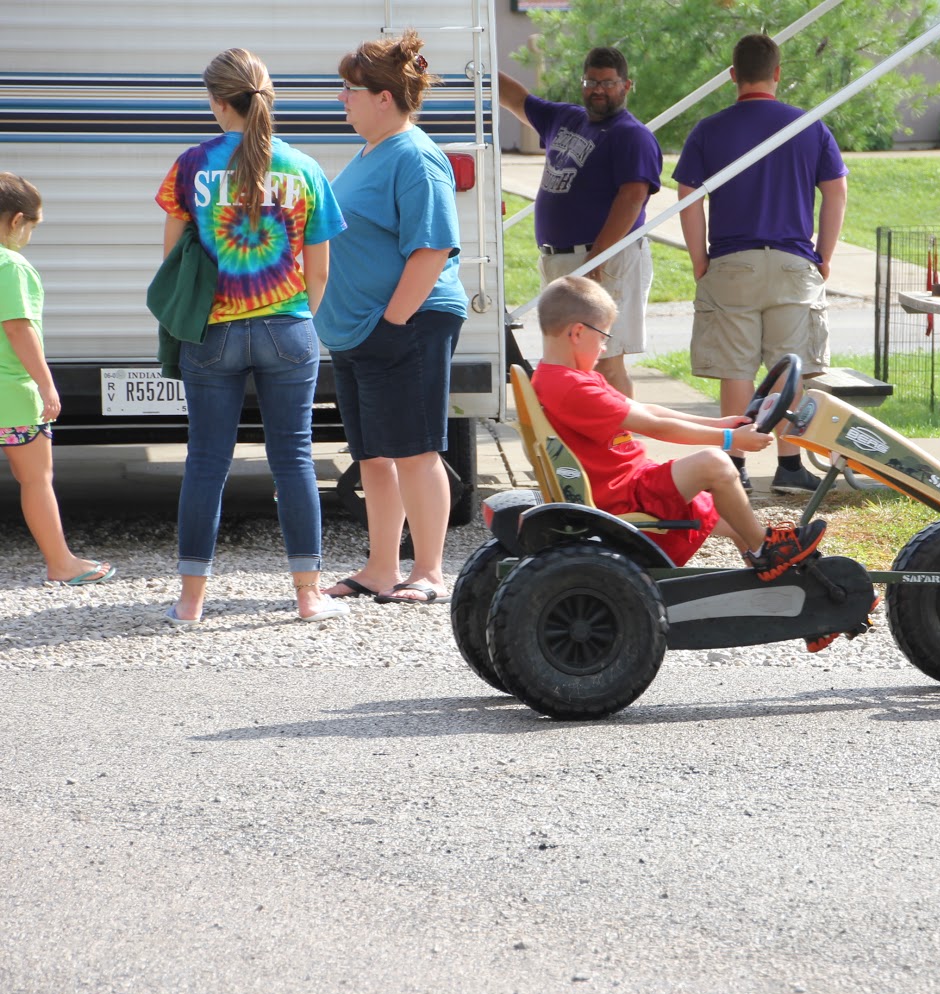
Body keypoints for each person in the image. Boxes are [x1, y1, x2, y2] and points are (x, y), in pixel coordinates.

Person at [154, 49, 346, 625]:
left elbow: (172, 260)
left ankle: (190, 602)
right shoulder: (303, 168)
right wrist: (298, 319)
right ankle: (308, 595)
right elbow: (321, 270)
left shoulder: (190, 166)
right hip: (288, 327)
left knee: (206, 462)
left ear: (217, 102)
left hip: (211, 331)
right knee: (294, 459)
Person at [533, 276, 825, 579]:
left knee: (731, 514)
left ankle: (772, 574)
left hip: (625, 483)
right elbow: (656, 427)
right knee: (716, 465)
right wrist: (728, 438)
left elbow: (648, 410)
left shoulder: (562, 377)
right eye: (603, 337)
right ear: (578, 332)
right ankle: (766, 549)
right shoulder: (573, 387)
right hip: (621, 494)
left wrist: (717, 423)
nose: (604, 347)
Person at [315, 30, 468, 606]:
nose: (341, 100)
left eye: (349, 90)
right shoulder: (370, 152)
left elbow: (431, 249)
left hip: (409, 322)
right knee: (373, 455)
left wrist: (393, 324)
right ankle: (382, 568)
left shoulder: (416, 155)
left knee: (416, 450)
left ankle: (428, 571)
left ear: (383, 97)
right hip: (363, 330)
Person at [672, 33, 848, 495]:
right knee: (790, 369)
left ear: (733, 75)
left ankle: (736, 464)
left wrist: (698, 259)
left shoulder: (709, 129)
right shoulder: (808, 126)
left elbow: (687, 195)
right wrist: (824, 254)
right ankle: (790, 466)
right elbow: (836, 190)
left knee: (737, 369)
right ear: (777, 73)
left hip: (731, 261)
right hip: (793, 261)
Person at [499, 46, 661, 398]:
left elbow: (633, 197)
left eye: (607, 82)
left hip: (604, 263)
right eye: (591, 81)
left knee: (606, 361)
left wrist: (597, 257)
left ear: (626, 85)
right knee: (568, 360)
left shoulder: (631, 135)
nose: (597, 90)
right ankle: (584, 441)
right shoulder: (565, 118)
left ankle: (618, 443)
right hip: (562, 260)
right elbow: (515, 98)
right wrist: (473, 68)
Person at [0, 173, 116, 588]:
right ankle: (61, 562)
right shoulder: (10, 264)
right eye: (32, 226)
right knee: (36, 479)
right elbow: (18, 328)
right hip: (10, 395)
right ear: (16, 221)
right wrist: (46, 384)